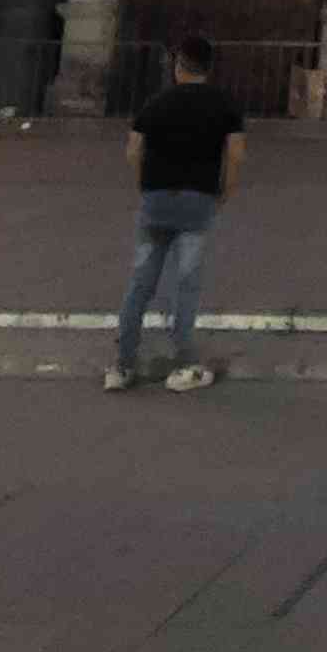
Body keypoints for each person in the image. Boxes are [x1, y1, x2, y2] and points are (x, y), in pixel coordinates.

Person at [108, 36, 242, 392]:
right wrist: (223, 193)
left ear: (178, 65)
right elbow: (235, 155)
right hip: (197, 202)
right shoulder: (224, 105)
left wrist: (144, 186)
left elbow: (134, 149)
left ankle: (122, 365)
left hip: (157, 200)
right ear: (208, 68)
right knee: (187, 283)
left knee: (141, 281)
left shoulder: (156, 103)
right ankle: (184, 361)